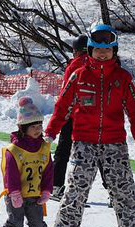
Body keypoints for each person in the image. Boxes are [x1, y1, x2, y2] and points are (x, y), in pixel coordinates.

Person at [44, 24, 135, 227]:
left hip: (115, 144)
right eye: (98, 50)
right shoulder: (78, 76)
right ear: (90, 50)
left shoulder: (123, 78)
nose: (103, 54)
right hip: (84, 142)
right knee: (76, 190)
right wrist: (51, 132)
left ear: (114, 51)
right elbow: (62, 107)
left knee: (124, 191)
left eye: (108, 50)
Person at [52, 35, 111, 207]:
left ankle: (57, 187)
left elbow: (66, 93)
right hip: (94, 117)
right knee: (100, 154)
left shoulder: (74, 66)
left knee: (64, 152)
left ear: (76, 50)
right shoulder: (100, 65)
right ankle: (113, 192)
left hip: (73, 116)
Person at [0, 96, 54, 227]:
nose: (38, 130)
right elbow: (11, 174)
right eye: (34, 127)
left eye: (40, 126)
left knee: (38, 226)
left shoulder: (44, 148)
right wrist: (14, 193)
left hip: (35, 196)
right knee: (15, 224)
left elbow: (48, 171)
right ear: (23, 128)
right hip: (17, 196)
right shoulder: (14, 150)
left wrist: (46, 191)